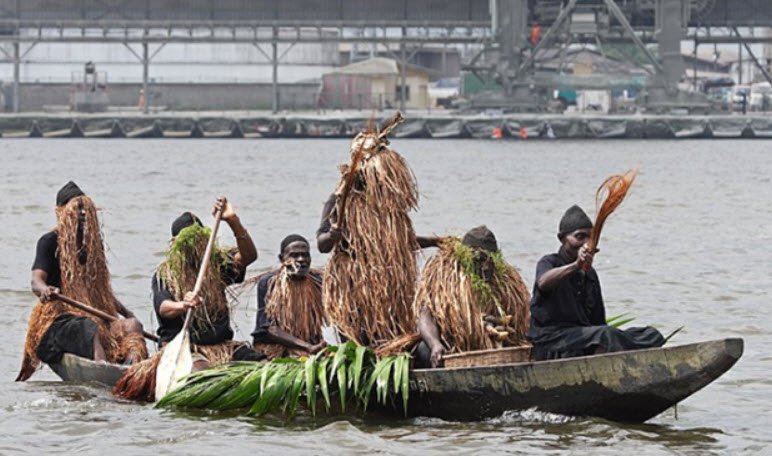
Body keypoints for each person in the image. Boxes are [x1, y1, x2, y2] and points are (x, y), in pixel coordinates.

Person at [316, 114, 439, 349]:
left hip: (389, 279)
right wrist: (331, 236)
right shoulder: (340, 201)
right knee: (355, 335)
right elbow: (322, 245)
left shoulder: (391, 207)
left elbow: (400, 242)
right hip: (352, 280)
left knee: (389, 335)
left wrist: (434, 241)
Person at [17, 181, 148, 381]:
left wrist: (126, 313)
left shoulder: (93, 246)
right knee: (88, 326)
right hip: (59, 320)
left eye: (86, 209)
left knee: (132, 325)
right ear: (61, 212)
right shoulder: (49, 241)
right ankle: (103, 369)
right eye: (77, 209)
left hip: (91, 313)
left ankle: (134, 371)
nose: (83, 214)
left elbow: (99, 291)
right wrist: (45, 290)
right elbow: (36, 280)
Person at [527, 205, 665, 361]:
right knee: (605, 335)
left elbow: (598, 322)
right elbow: (543, 282)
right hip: (552, 340)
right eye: (580, 237)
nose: (586, 243)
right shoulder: (549, 262)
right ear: (562, 239)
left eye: (590, 238)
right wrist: (575, 265)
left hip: (584, 337)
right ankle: (596, 374)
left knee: (650, 335)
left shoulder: (590, 275)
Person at [151, 197, 262, 370]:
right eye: (187, 242)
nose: (194, 247)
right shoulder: (165, 274)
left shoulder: (216, 266)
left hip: (221, 346)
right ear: (174, 245)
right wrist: (183, 305)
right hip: (184, 348)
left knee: (262, 365)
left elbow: (249, 257)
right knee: (201, 372)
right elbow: (164, 308)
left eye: (198, 240)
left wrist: (233, 220)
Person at [414, 226, 530, 368]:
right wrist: (435, 344)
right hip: (454, 347)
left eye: (490, 260)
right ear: (466, 258)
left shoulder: (505, 286)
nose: (486, 267)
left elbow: (518, 323)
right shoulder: (446, 280)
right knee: (424, 349)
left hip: (488, 351)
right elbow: (425, 316)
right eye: (479, 260)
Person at [251, 234, 327, 359]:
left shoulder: (318, 281)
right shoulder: (270, 282)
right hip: (275, 348)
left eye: (305, 254)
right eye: (294, 255)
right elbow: (270, 328)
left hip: (310, 347)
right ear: (282, 259)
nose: (301, 259)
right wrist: (307, 347)